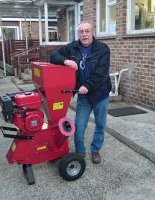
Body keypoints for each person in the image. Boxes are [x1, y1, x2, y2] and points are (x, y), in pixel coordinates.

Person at [50, 22, 111, 164]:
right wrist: (65, 61)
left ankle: (95, 150)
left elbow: (101, 73)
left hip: (100, 94)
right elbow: (54, 56)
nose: (84, 34)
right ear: (78, 34)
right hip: (83, 96)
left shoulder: (102, 49)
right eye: (81, 32)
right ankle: (80, 151)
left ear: (92, 32)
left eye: (87, 31)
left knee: (100, 124)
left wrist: (87, 85)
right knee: (79, 125)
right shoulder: (73, 47)